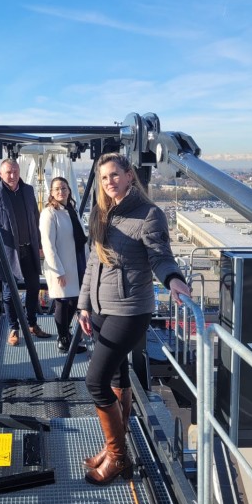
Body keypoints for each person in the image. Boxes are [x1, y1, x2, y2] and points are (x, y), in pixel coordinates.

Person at [77, 153, 192, 486]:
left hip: (129, 310)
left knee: (95, 382)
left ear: (129, 176)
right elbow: (92, 265)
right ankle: (114, 443)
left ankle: (119, 457)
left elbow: (160, 256)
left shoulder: (149, 214)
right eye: (103, 178)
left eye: (115, 175)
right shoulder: (101, 212)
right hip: (100, 308)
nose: (109, 182)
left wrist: (172, 279)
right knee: (116, 373)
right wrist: (84, 305)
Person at [0, 158, 50, 345]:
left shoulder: (28, 190)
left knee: (34, 287)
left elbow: (35, 218)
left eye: (15, 171)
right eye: (8, 172)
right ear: (0, 174)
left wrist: (40, 243)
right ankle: (13, 328)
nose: (13, 175)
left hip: (29, 249)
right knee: (9, 293)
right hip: (8, 253)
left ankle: (32, 324)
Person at [39, 176, 88, 354]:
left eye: (64, 188)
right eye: (57, 189)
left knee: (74, 301)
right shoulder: (49, 213)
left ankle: (67, 335)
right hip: (63, 266)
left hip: (78, 261)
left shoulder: (71, 210)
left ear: (69, 190)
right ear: (51, 193)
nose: (61, 191)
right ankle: (63, 339)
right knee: (62, 302)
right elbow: (48, 245)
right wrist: (58, 271)